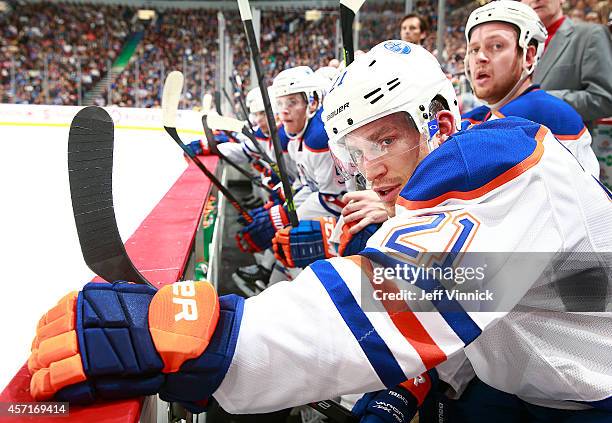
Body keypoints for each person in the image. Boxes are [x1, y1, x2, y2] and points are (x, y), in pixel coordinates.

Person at [27, 41, 612, 421]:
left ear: (437, 117)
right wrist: (412, 380)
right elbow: (500, 291)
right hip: (535, 381)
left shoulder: (493, 155)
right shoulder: (461, 170)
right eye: (358, 152)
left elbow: (403, 294)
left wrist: (222, 336)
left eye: (385, 140)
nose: (372, 168)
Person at [462, 0, 599, 177]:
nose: (480, 57)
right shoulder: (483, 114)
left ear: (529, 55)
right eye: (474, 49)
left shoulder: (539, 112)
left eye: (496, 46)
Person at [521, 0, 612, 130]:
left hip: (567, 142)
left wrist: (540, 100)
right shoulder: (515, 45)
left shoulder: (589, 35)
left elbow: (605, 99)